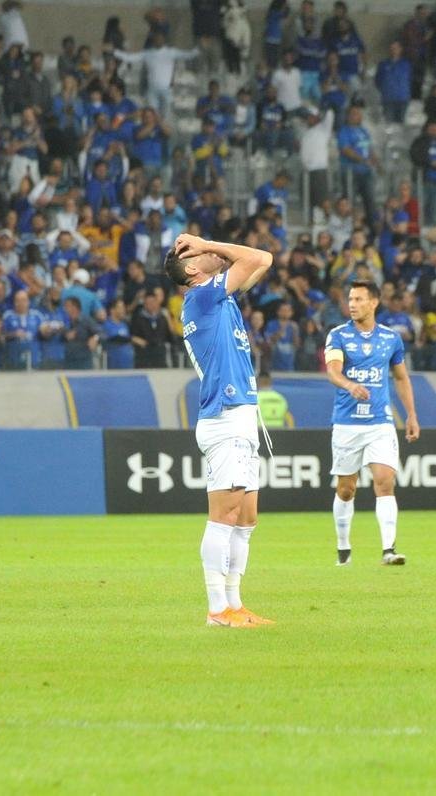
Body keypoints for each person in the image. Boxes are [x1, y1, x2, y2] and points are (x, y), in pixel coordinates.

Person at [164, 232, 275, 628]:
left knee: (246, 518)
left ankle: (235, 603)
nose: (214, 254)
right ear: (193, 268)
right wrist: (202, 240)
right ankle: (216, 610)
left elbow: (261, 262)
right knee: (224, 516)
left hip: (241, 415)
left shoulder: (220, 297)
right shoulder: (203, 296)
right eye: (204, 254)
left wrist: (207, 247)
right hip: (224, 416)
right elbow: (258, 255)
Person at [324, 281, 420, 567]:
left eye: (358, 299)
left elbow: (401, 378)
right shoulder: (338, 335)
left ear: (374, 302)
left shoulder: (391, 338)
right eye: (350, 299)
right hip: (347, 423)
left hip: (380, 421)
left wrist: (411, 415)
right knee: (346, 489)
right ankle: (344, 550)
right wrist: (349, 385)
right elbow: (332, 371)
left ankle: (388, 550)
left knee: (385, 481)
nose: (352, 304)